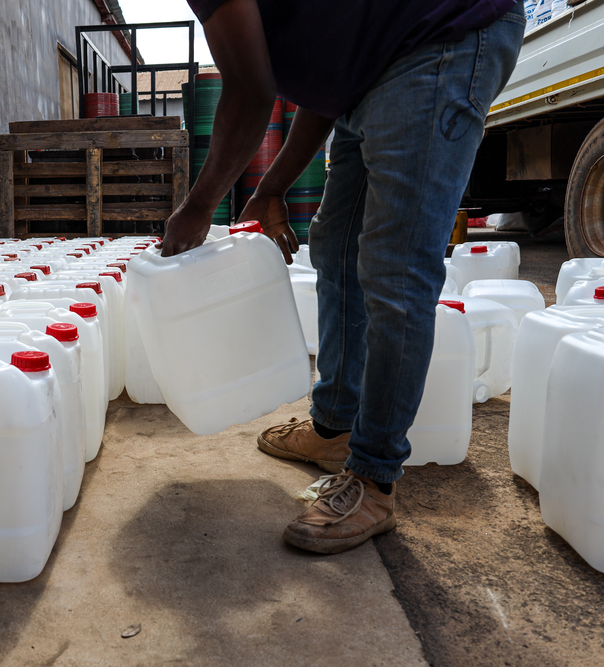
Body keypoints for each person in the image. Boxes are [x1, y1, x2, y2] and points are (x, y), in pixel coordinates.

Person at [159, 0, 525, 554]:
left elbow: (252, 89)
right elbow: (329, 93)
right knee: (333, 244)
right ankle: (333, 431)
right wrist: (269, 190)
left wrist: (199, 204)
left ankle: (374, 480)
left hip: (442, 40)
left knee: (395, 271)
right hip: (374, 73)